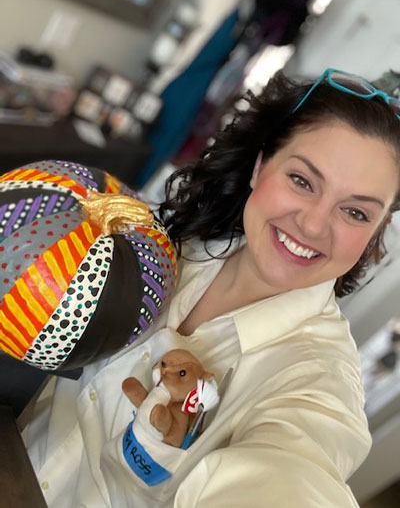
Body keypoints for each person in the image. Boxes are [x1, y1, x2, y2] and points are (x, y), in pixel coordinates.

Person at [25, 68, 400, 507]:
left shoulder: (319, 387)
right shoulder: (168, 246)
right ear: (261, 167)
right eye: (301, 181)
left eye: (355, 213)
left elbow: (294, 475)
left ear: (376, 231)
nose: (314, 224)